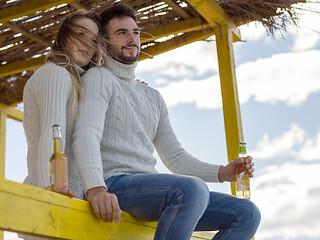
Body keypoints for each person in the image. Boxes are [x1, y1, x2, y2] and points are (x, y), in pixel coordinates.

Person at [73, 4, 261, 240]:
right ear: (103, 43)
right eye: (122, 32)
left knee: (246, 213)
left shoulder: (152, 96)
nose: (132, 38)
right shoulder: (99, 78)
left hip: (152, 191)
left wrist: (223, 172)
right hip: (114, 185)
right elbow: (86, 134)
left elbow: (175, 157)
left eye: (136, 32)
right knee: (191, 190)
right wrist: (95, 188)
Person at [23, 10, 103, 200]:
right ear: (61, 38)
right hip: (53, 196)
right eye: (81, 34)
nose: (87, 43)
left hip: (73, 199)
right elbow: (52, 134)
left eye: (94, 41)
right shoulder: (55, 72)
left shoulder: (80, 86)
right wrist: (50, 192)